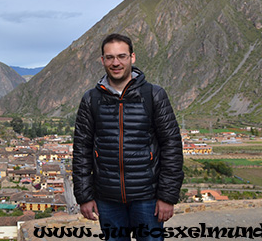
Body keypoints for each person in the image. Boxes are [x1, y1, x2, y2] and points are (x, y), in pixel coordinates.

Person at [72, 33, 184, 241]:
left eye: (121, 56)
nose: (116, 63)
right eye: (110, 57)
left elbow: (171, 145)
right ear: (103, 60)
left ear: (132, 57)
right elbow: (81, 150)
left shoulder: (154, 95)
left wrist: (167, 197)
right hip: (107, 199)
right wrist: (85, 196)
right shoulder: (91, 99)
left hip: (148, 198)